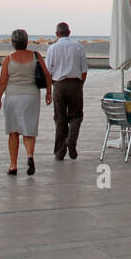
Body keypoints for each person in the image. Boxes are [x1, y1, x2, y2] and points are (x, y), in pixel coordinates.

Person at [0, 30, 52, 176]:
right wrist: (49, 92)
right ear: (27, 41)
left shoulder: (9, 58)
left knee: (13, 132)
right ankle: (30, 156)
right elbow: (46, 74)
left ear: (13, 43)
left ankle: (13, 166)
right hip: (31, 96)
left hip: (13, 97)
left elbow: (2, 81)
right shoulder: (36, 56)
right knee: (29, 130)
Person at [46, 22, 88, 160]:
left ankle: (59, 152)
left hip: (58, 84)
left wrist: (52, 87)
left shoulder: (52, 48)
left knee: (60, 118)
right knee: (76, 115)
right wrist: (80, 85)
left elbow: (48, 71)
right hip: (75, 83)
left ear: (57, 34)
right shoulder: (78, 47)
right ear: (69, 32)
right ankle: (71, 140)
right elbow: (84, 70)